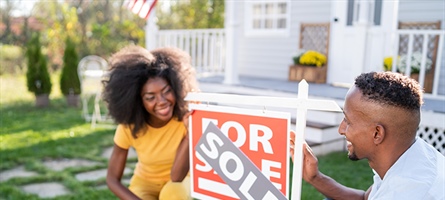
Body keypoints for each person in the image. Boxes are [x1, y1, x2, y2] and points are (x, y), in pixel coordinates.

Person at [291, 71, 445, 199]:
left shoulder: (407, 193)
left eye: (348, 121)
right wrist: (315, 177)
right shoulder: (410, 153)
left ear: (377, 134)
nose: (341, 129)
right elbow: (365, 198)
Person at [104, 45, 199, 200]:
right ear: (137, 101)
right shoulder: (129, 126)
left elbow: (176, 178)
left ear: (176, 87)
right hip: (144, 182)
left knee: (173, 193)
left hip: (180, 182)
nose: (161, 102)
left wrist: (190, 134)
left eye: (167, 91)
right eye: (150, 97)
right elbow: (112, 179)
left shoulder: (186, 118)